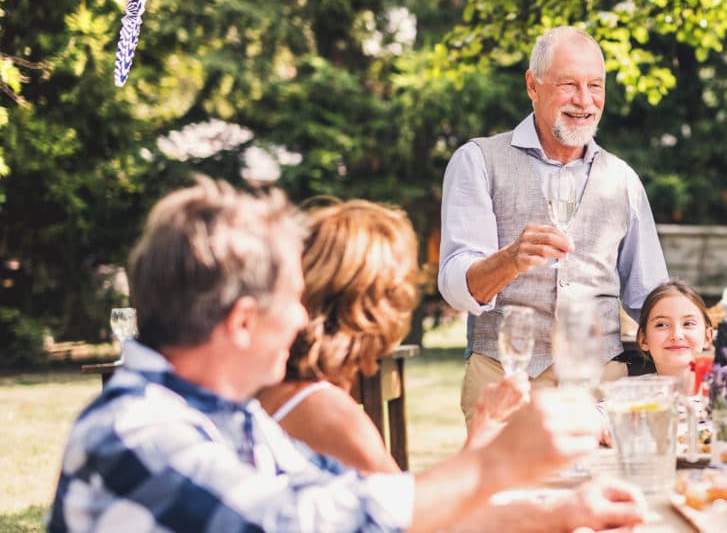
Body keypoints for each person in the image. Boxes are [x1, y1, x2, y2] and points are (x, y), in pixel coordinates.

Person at [49, 178, 604, 532]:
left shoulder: (234, 420)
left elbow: (375, 503)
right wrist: (494, 464)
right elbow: (295, 521)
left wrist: (562, 513)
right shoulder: (133, 429)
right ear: (242, 321)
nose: (300, 317)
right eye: (291, 298)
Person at [257, 199, 644, 531]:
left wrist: (481, 433)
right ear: (375, 305)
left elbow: (429, 508)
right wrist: (559, 513)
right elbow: (423, 522)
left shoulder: (289, 393)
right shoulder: (324, 411)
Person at [438, 26, 669, 429]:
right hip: (506, 380)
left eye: (595, 86)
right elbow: (457, 286)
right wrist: (509, 260)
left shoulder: (623, 178)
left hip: (600, 385)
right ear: (533, 85)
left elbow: (648, 293)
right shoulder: (477, 160)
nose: (584, 100)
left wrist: (687, 324)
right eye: (568, 85)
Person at [636, 280, 714, 379]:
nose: (677, 335)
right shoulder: (624, 393)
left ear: (707, 337)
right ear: (643, 339)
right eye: (661, 325)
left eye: (688, 323)